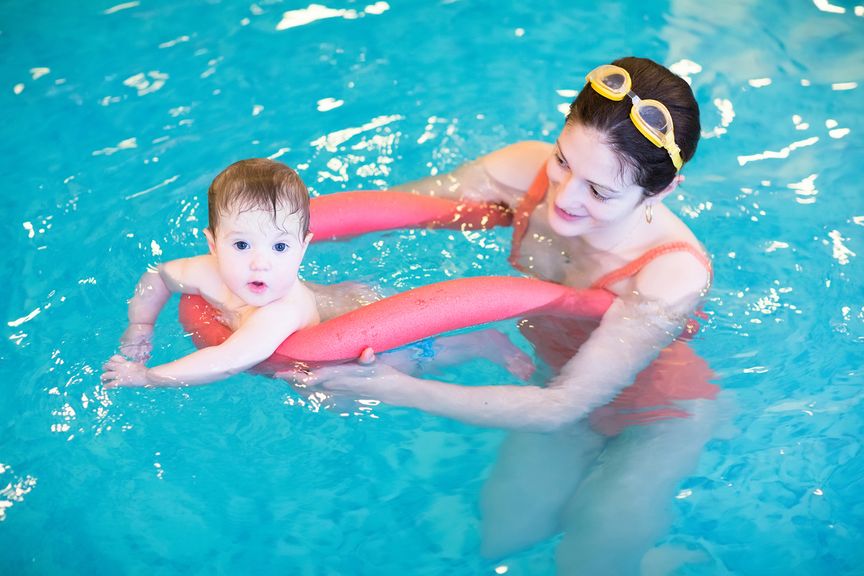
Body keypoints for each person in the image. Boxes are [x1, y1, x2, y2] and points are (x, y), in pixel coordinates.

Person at [305, 57, 722, 572]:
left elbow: (560, 407)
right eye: (565, 160)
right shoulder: (523, 169)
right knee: (502, 538)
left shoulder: (669, 274)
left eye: (600, 191)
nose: (565, 196)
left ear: (660, 191)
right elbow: (392, 209)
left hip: (657, 417)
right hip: (549, 372)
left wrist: (391, 387)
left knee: (589, 556)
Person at [101, 158, 319, 388]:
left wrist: (146, 377)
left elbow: (228, 361)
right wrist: (141, 325)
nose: (260, 264)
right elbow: (158, 275)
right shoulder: (208, 272)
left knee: (335, 385)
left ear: (302, 248)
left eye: (280, 247)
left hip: (310, 367)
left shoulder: (283, 312)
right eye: (242, 245)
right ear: (214, 245)